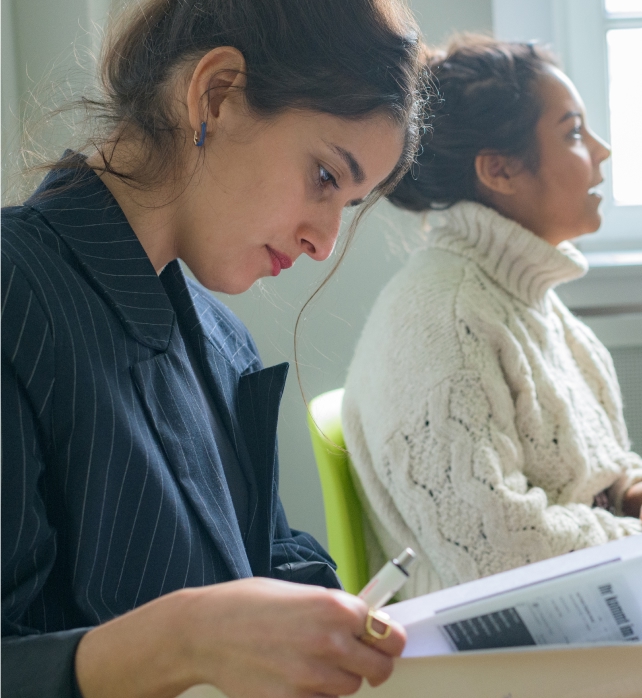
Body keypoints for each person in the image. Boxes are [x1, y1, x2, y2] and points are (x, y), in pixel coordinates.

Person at [1, 1, 428, 696]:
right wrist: (185, 638)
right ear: (217, 94)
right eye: (324, 177)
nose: (322, 241)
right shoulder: (14, 291)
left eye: (347, 205)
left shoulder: (221, 338)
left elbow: (263, 555)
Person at [342, 36, 642, 600]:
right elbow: (497, 554)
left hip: (587, 612)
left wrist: (628, 495)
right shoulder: (442, 317)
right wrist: (630, 537)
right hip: (496, 656)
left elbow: (594, 474)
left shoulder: (531, 301)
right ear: (499, 170)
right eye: (574, 132)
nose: (601, 151)